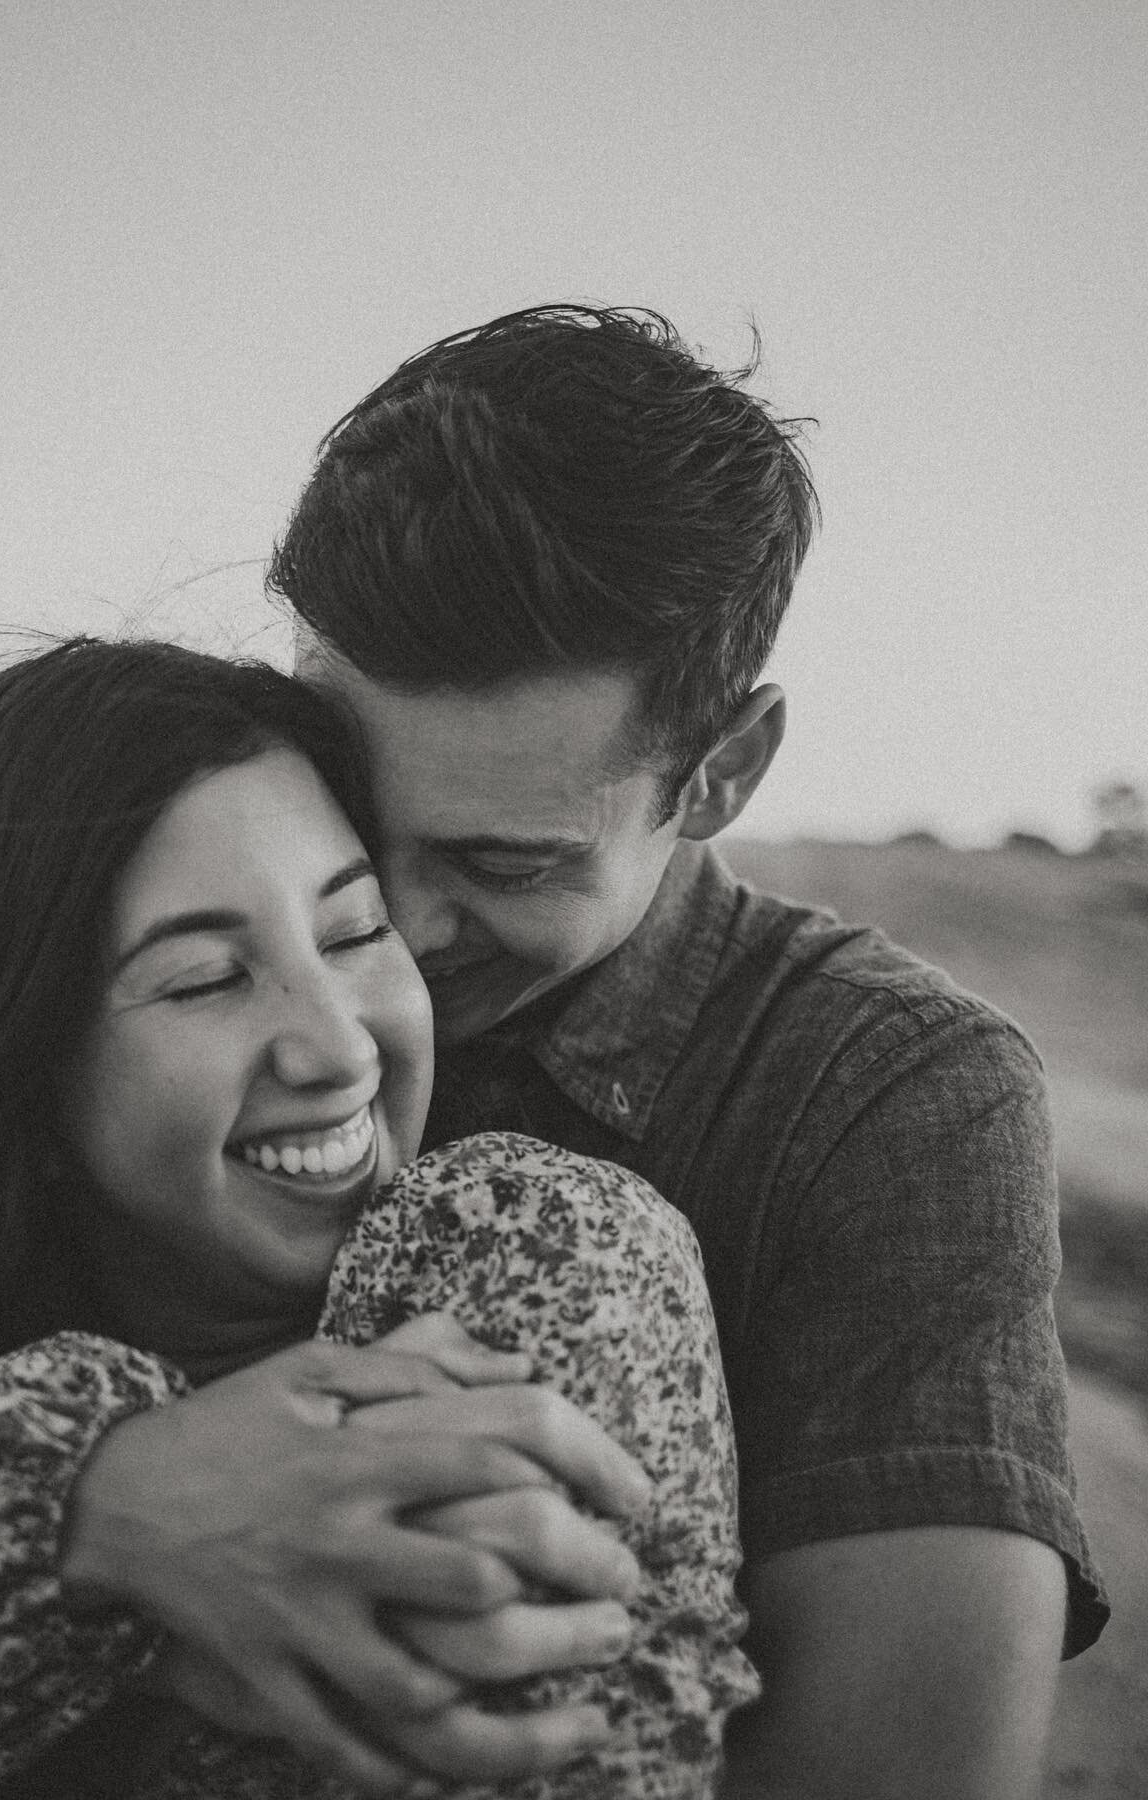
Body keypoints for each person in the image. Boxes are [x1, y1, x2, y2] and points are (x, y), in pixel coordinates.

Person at [262, 303, 1109, 1798]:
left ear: (721, 771)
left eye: (504, 864)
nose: (387, 922)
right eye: (342, 804)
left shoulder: (889, 1093)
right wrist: (89, 1501)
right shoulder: (139, 933)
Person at [0, 637, 756, 1799]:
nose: (340, 1047)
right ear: (21, 1072)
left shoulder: (532, 1239)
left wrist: (45, 1614)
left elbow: (525, 1744)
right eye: (207, 978)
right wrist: (91, 1498)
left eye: (356, 933)